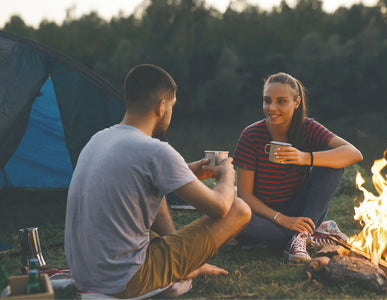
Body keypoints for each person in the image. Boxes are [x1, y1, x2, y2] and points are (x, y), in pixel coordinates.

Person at [64, 64, 251, 298]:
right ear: (162, 107)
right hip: (126, 280)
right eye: (172, 106)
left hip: (86, 274)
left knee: (155, 192)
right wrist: (227, 172)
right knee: (240, 209)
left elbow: (138, 179)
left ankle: (181, 263)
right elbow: (220, 207)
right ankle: (180, 267)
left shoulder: (99, 139)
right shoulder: (155, 151)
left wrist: (186, 171)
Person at [233, 72, 363, 262]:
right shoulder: (251, 136)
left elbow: (353, 153)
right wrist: (281, 219)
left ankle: (300, 237)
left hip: (299, 211)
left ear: (297, 102)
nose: (272, 108)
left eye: (281, 101)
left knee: (333, 163)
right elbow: (245, 196)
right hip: (263, 215)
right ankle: (308, 234)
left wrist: (305, 158)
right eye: (267, 101)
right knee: (237, 220)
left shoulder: (307, 128)